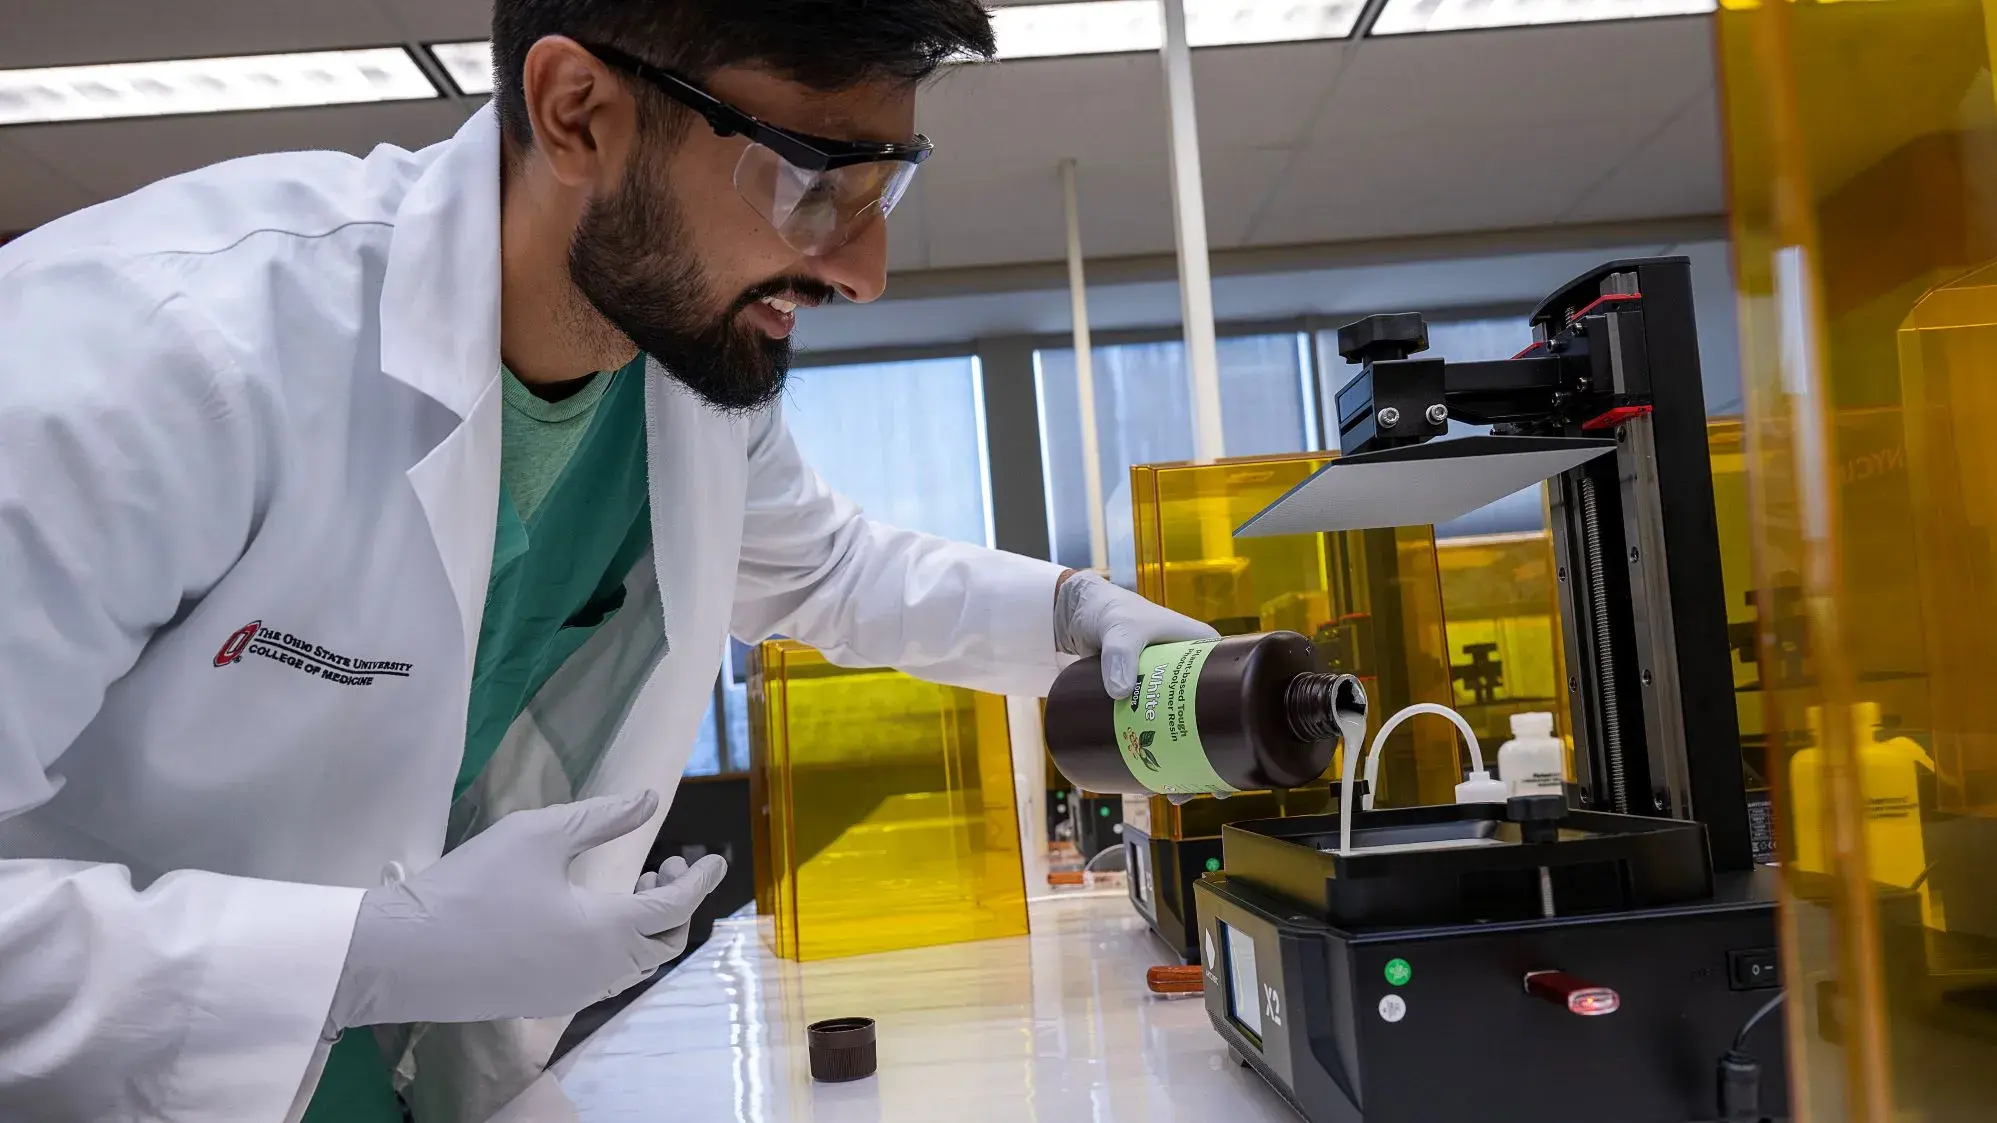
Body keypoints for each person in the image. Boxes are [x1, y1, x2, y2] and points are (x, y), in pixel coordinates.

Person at [0, 2, 1219, 1120]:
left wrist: (1072, 615)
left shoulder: (677, 372)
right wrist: (363, 951)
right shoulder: (150, 358)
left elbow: (830, 571)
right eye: (809, 182)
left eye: (879, 192)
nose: (861, 271)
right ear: (576, 111)